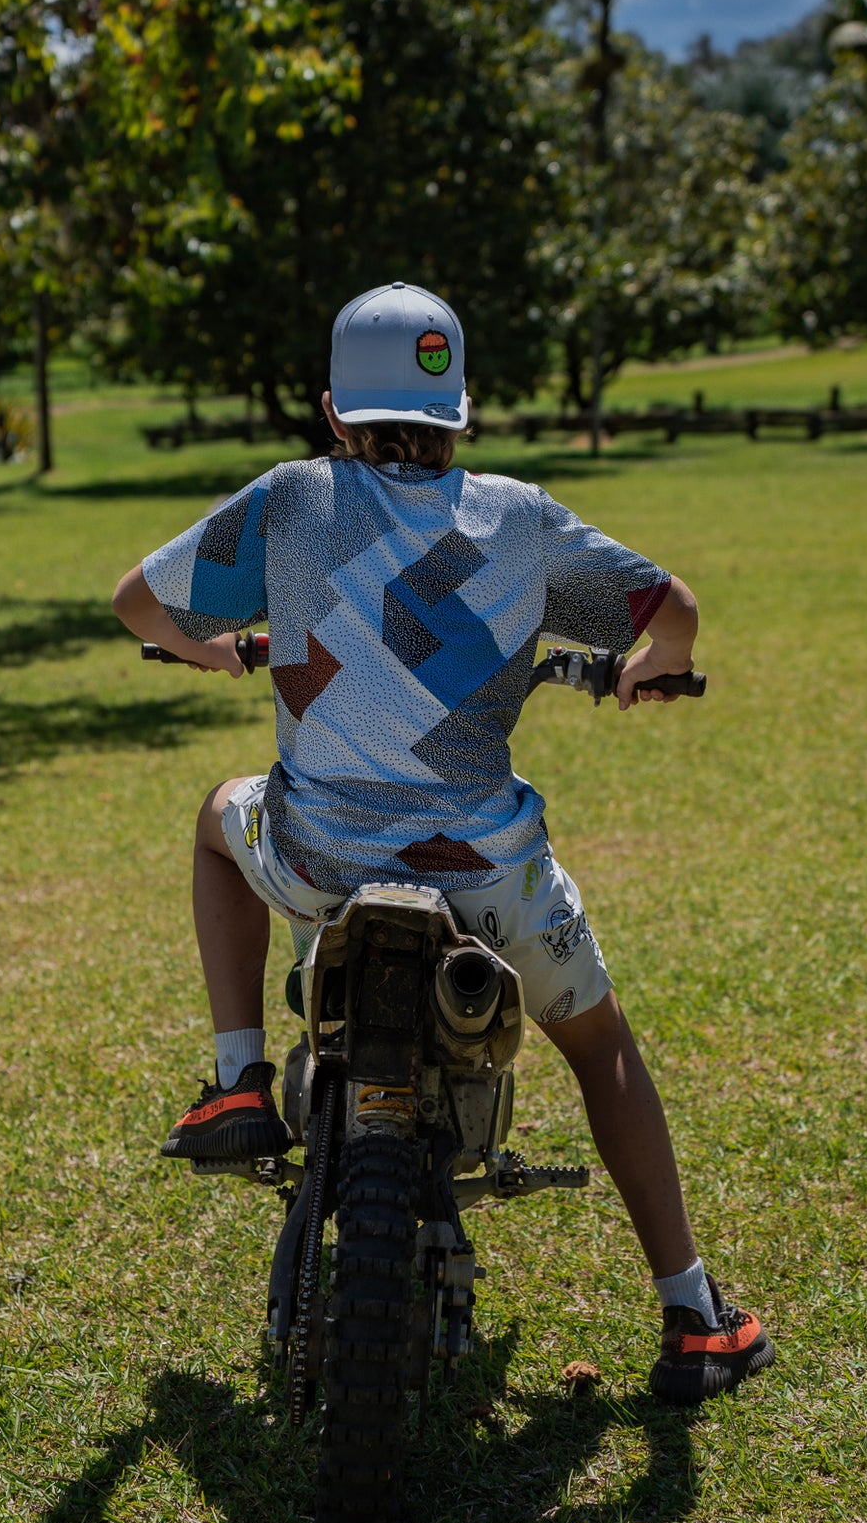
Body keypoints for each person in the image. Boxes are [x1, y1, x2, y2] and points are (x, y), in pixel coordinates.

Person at [112, 281, 774, 1404]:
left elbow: (137, 601)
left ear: (332, 409)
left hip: (321, 859)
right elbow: (673, 611)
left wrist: (218, 652)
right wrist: (641, 667)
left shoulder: (289, 504)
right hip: (484, 873)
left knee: (213, 820)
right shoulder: (519, 519)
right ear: (459, 413)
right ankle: (690, 1308)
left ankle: (235, 1077)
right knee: (600, 1043)